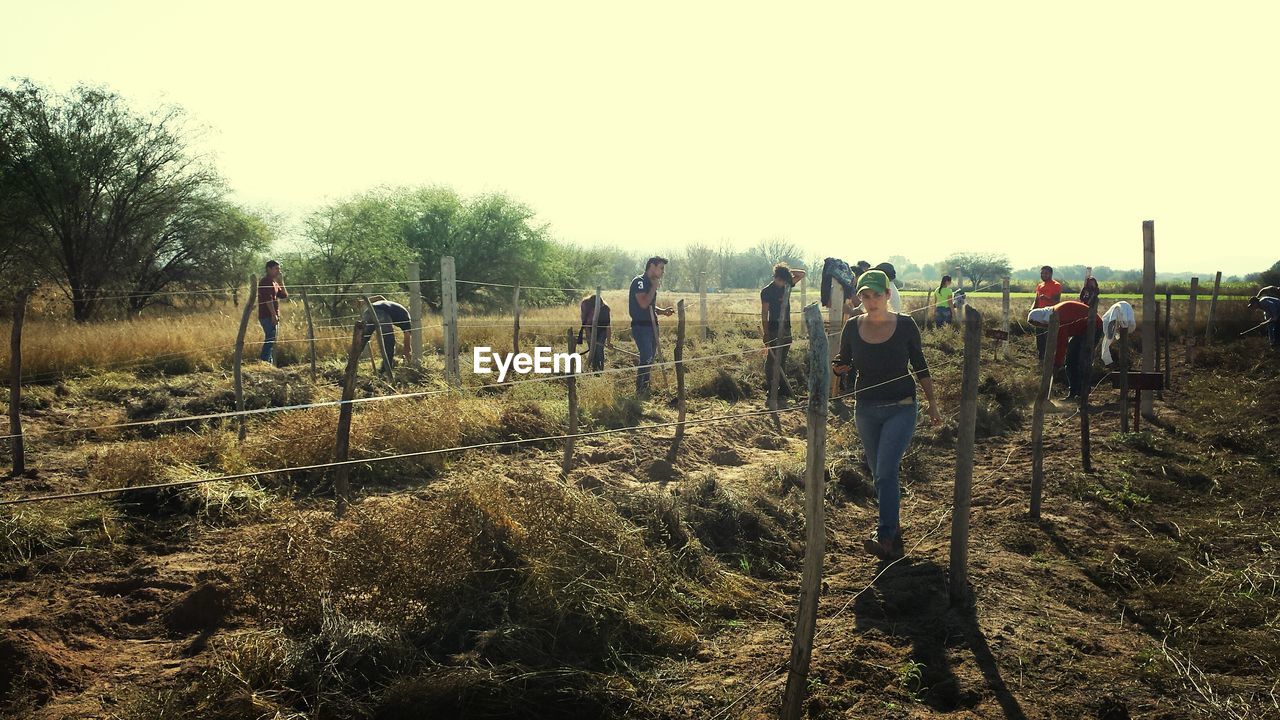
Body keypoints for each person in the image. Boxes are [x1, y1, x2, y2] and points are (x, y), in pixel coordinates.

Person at [832, 270, 942, 561]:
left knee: (884, 471)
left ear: (888, 295)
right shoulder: (853, 327)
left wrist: (932, 402)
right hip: (866, 409)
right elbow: (844, 360)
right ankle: (892, 527)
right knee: (879, 473)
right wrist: (838, 369)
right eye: (865, 296)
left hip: (901, 407)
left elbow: (919, 364)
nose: (870, 301)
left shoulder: (905, 325)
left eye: (876, 295)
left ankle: (885, 537)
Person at [1027, 300, 1103, 400]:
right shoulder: (1052, 313)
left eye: (1039, 324)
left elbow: (1062, 344)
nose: (1041, 327)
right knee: (1070, 361)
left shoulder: (1058, 317)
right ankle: (1073, 392)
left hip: (1093, 327)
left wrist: (1057, 364)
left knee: (1081, 359)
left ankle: (1083, 393)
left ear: (1041, 318)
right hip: (1080, 331)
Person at [760, 263, 807, 406]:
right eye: (779, 280)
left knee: (782, 360)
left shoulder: (787, 284)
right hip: (773, 329)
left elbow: (802, 274)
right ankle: (771, 389)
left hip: (786, 328)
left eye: (783, 280)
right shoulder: (767, 291)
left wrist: (787, 272)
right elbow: (764, 313)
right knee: (771, 362)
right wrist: (766, 333)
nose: (781, 283)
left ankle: (782, 390)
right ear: (775, 277)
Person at [629, 257, 675, 396]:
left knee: (651, 357)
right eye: (661, 268)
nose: (663, 271)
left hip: (652, 325)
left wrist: (662, 311)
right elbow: (643, 304)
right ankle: (640, 389)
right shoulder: (640, 282)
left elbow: (650, 306)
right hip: (641, 327)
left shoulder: (650, 282)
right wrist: (654, 287)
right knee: (646, 357)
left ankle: (646, 387)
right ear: (652, 266)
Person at [360, 297, 412, 373]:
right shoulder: (407, 322)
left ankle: (351, 366)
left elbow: (380, 297)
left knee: (361, 341)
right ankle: (385, 371)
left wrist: (363, 302)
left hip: (368, 311)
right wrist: (409, 363)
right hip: (381, 313)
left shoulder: (392, 307)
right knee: (389, 342)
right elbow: (407, 348)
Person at [257, 260, 288, 364]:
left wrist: (281, 282)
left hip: (272, 315)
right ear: (268, 269)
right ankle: (264, 362)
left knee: (272, 339)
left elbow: (284, 295)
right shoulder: (265, 282)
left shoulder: (274, 282)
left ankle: (268, 362)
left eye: (279, 269)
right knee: (270, 339)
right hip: (267, 315)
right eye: (276, 269)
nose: (278, 271)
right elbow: (268, 300)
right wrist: (273, 315)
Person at [1030, 266, 1062, 361]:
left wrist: (1047, 298)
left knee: (1048, 336)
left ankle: (1050, 357)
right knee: (1039, 336)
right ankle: (1041, 356)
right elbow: (1036, 299)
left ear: (1051, 274)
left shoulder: (1056, 285)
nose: (1043, 275)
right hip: (1039, 313)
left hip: (1050, 313)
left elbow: (1057, 301)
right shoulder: (1040, 286)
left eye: (1046, 273)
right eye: (1042, 273)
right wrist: (1032, 309)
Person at [577, 292, 611, 372]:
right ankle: (594, 369)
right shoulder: (585, 305)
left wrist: (609, 342)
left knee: (599, 349)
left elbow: (608, 326)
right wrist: (589, 336)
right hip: (590, 328)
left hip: (602, 330)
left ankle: (599, 370)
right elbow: (585, 323)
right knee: (592, 349)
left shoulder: (605, 309)